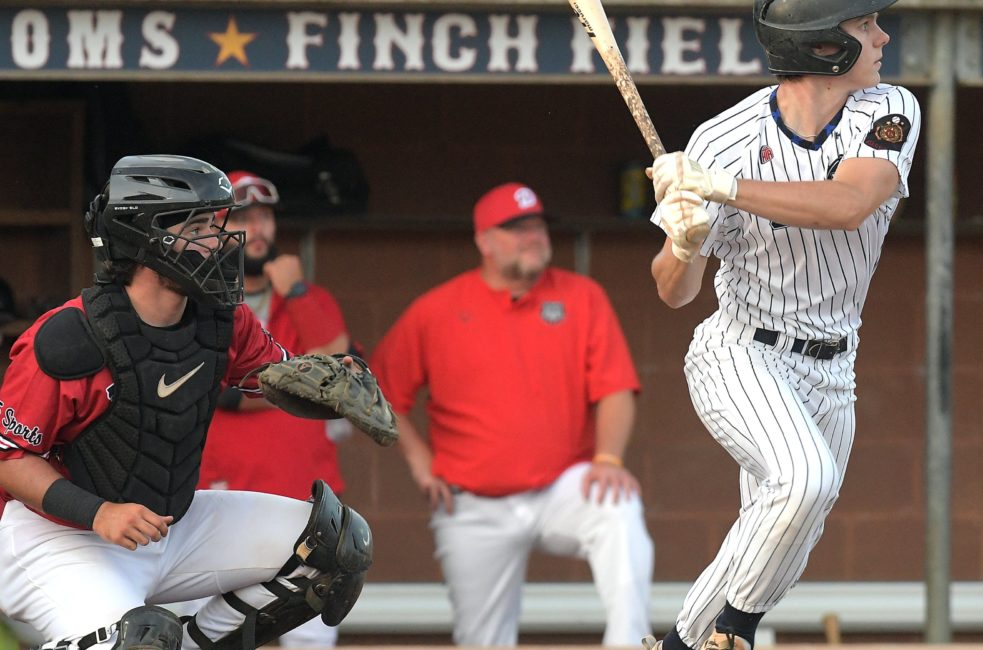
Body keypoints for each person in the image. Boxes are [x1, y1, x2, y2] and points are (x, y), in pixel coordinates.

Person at [0, 155, 372, 650]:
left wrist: (334, 386)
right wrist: (99, 512)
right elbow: (9, 459)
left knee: (333, 544)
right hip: (59, 535)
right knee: (139, 642)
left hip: (168, 522)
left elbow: (278, 378)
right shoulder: (67, 338)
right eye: (199, 226)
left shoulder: (221, 320)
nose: (218, 240)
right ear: (145, 239)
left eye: (215, 225)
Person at [642, 0, 920, 649]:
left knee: (787, 529)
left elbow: (849, 203)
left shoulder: (888, 107)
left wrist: (722, 188)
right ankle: (715, 636)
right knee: (804, 480)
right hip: (742, 352)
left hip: (834, 367)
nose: (881, 35)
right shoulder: (722, 138)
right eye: (863, 26)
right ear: (825, 47)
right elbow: (674, 293)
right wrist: (684, 243)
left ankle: (694, 641)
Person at [370, 182, 653, 647]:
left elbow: (616, 387)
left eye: (538, 225)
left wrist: (609, 458)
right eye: (516, 228)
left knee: (619, 507)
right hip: (473, 501)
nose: (533, 236)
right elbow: (377, 392)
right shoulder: (437, 309)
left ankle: (629, 643)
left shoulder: (582, 296)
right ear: (483, 241)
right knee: (481, 639)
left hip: (564, 486)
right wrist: (420, 462)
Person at [192, 171, 353, 648]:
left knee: (308, 639)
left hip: (303, 497)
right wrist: (291, 388)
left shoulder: (308, 299)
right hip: (216, 496)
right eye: (242, 217)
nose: (258, 228)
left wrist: (298, 293)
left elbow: (337, 376)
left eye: (264, 216)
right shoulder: (195, 302)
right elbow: (205, 387)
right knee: (205, 636)